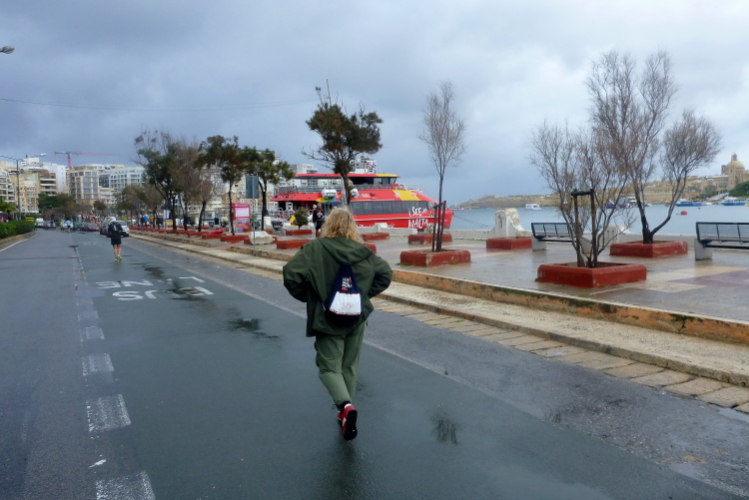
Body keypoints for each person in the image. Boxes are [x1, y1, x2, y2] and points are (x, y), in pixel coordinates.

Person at [283, 207, 392, 441]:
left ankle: (345, 406)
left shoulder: (315, 249)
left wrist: (311, 297)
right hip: (356, 317)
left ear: (328, 225)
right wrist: (362, 297)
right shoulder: (364, 252)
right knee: (349, 366)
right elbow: (385, 274)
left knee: (329, 368)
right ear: (352, 226)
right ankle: (345, 412)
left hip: (326, 317)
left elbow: (291, 273)